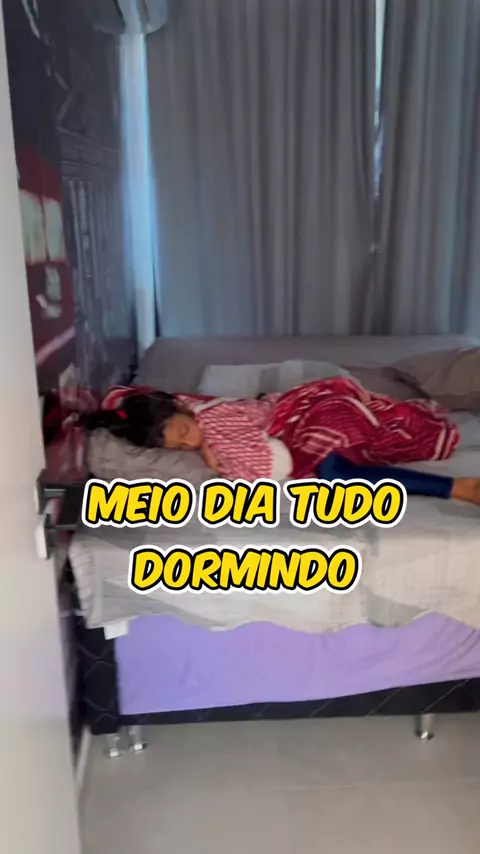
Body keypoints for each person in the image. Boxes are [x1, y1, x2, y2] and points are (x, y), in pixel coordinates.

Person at [81, 379, 480, 508]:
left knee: (335, 474)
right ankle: (459, 487)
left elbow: (270, 465)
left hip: (312, 411)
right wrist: (201, 449)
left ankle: (459, 488)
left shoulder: (212, 418)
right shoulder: (190, 415)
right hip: (301, 421)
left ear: (180, 408)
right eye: (180, 447)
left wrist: (211, 455)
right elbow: (118, 397)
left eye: (185, 431)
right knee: (338, 471)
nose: (192, 441)